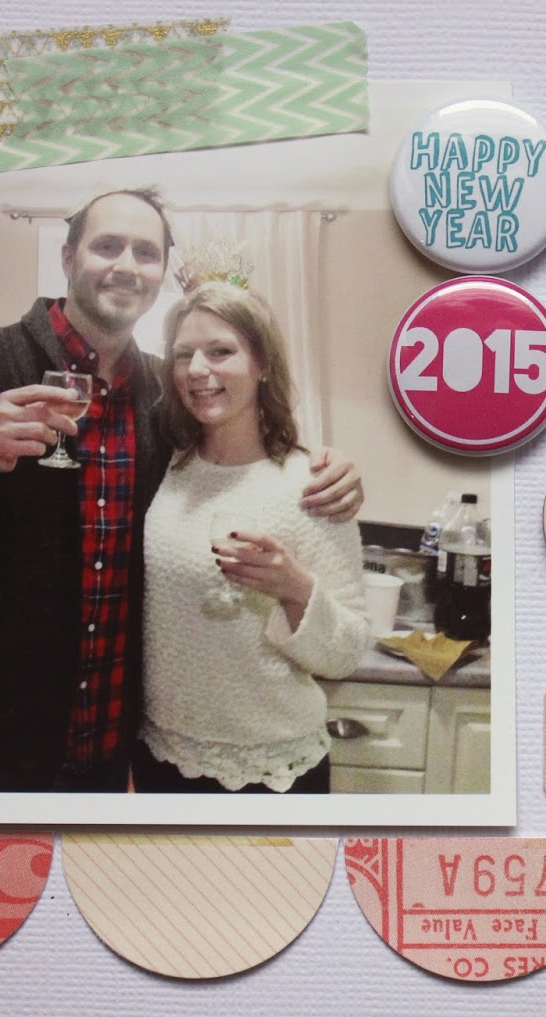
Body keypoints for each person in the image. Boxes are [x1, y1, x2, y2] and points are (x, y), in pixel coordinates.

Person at [0, 187, 363, 792]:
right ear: (68, 257)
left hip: (110, 753)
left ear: (161, 273)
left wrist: (327, 464)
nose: (127, 266)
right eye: (107, 246)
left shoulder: (163, 394)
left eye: (146, 252)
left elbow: (238, 449)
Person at [133, 282, 370, 794]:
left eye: (221, 351)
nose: (198, 369)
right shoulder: (166, 467)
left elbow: (348, 652)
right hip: (159, 756)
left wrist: (295, 589)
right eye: (183, 355)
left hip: (273, 770)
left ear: (262, 363)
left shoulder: (312, 483)